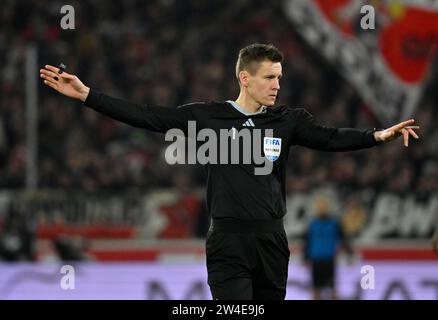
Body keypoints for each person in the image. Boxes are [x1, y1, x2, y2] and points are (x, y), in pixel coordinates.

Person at [40, 43, 419, 300]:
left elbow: (333, 138)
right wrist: (89, 96)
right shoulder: (208, 117)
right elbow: (149, 116)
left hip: (272, 242)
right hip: (227, 243)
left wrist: (377, 135)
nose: (277, 85)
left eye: (280, 77)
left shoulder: (287, 121)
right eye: (269, 77)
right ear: (245, 79)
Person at [303, 195, 352, 300]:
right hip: (323, 259)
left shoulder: (317, 224)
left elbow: (306, 242)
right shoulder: (324, 223)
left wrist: (305, 257)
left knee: (323, 290)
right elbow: (307, 242)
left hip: (323, 259)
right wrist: (349, 252)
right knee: (323, 290)